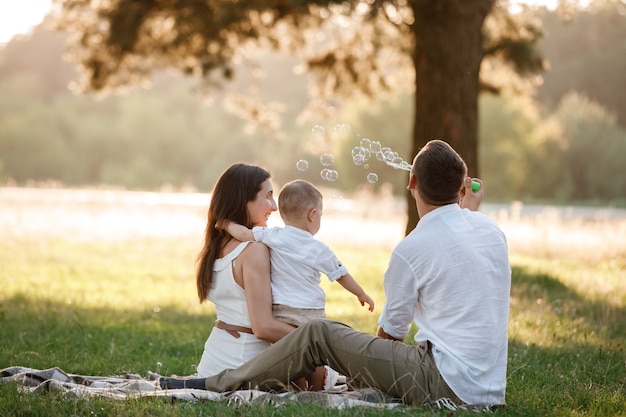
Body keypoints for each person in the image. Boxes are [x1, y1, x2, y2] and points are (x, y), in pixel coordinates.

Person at [161, 140, 512, 409]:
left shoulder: (412, 250)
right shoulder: (490, 231)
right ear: (462, 187)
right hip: (488, 387)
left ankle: (212, 385)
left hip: (442, 382)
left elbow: (391, 337)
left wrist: (349, 357)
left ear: (412, 183)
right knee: (332, 336)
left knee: (319, 333)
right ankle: (224, 380)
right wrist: (465, 208)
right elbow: (460, 226)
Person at [222, 179, 375, 328]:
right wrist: (361, 293)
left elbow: (243, 234)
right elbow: (341, 274)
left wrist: (225, 223)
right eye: (320, 215)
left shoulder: (273, 235)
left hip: (280, 311)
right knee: (312, 347)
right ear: (312, 214)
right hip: (310, 311)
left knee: (287, 347)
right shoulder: (319, 249)